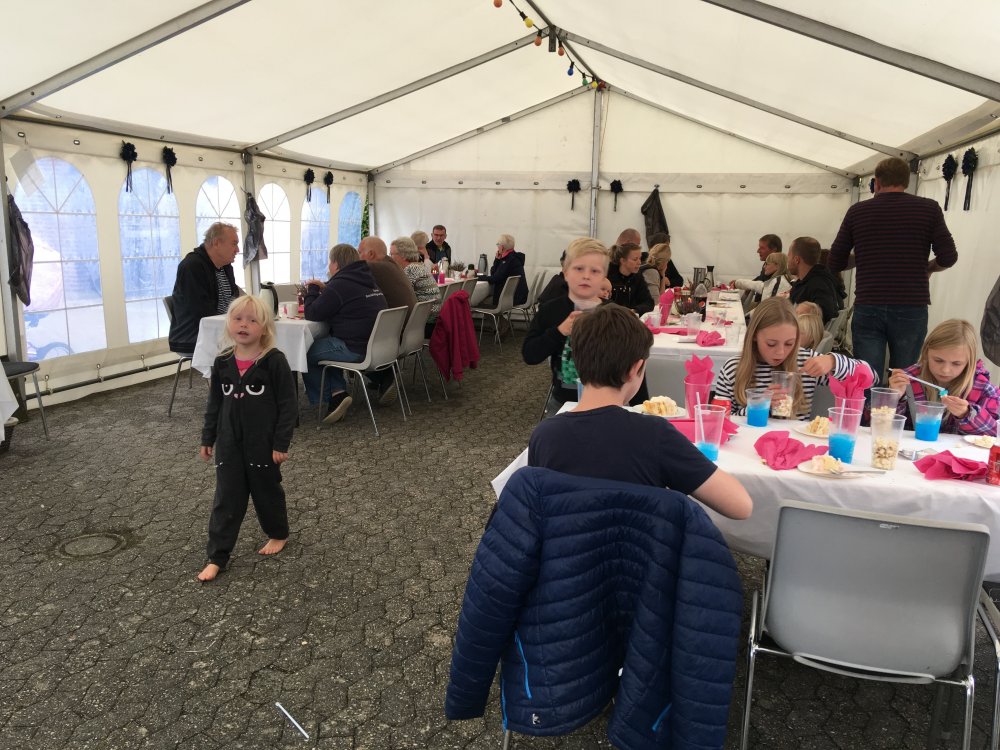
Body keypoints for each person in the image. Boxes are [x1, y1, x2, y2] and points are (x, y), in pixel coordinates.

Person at [528, 304, 752, 520]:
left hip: (563, 544)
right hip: (637, 545)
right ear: (635, 369)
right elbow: (741, 506)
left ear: (578, 362)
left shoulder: (544, 434)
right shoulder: (655, 434)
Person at [829, 156, 957, 381]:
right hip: (911, 304)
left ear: (877, 182)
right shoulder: (929, 209)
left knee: (866, 377)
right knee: (904, 377)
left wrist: (867, 256)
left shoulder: (858, 211)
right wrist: (929, 268)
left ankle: (867, 406)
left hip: (869, 302)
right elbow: (948, 257)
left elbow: (835, 262)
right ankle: (900, 405)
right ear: (907, 181)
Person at [197, 295, 296, 582]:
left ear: (264, 328)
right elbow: (215, 403)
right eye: (238, 319)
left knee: (267, 492)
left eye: (253, 320)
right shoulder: (223, 362)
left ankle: (278, 533)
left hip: (262, 445)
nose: (244, 325)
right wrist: (208, 437)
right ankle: (217, 556)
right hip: (229, 444)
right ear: (229, 323)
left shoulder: (273, 361)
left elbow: (288, 406)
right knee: (226, 498)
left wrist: (280, 443)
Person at [524, 238, 649, 409]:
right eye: (579, 268)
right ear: (565, 272)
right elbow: (530, 355)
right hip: (565, 403)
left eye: (595, 271)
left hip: (611, 404)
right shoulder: (550, 310)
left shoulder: (616, 316)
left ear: (604, 277)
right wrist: (559, 332)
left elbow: (635, 364)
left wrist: (640, 410)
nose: (586, 276)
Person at [714, 297, 874, 420]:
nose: (780, 352)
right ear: (754, 336)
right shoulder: (733, 368)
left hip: (796, 445)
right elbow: (720, 421)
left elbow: (870, 376)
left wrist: (832, 361)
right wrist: (759, 405)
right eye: (771, 344)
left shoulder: (804, 361)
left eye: (789, 343)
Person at [303, 243, 388, 423]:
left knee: (304, 351)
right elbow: (347, 298)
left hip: (354, 348)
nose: (329, 266)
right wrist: (326, 288)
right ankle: (338, 392)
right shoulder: (367, 279)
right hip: (379, 347)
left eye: (330, 262)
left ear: (336, 263)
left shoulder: (340, 284)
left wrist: (312, 290)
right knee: (327, 345)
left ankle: (333, 397)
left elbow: (313, 313)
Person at [888, 319, 998, 436]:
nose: (945, 370)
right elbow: (880, 426)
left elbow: (994, 433)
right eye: (938, 360)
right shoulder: (907, 379)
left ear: (969, 362)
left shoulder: (983, 388)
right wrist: (893, 398)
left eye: (956, 363)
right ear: (926, 353)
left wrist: (966, 414)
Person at [168, 222, 243, 354]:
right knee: (253, 344)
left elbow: (234, 299)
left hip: (220, 329)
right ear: (216, 243)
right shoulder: (192, 266)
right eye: (234, 244)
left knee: (260, 338)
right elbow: (201, 311)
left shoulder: (226, 266)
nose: (237, 250)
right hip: (195, 335)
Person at [390, 236, 441, 337]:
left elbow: (398, 297)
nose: (390, 258)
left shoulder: (410, 270)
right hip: (433, 321)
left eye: (392, 254)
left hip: (425, 324)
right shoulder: (420, 266)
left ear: (403, 255)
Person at [787, 236, 843, 324]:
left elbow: (823, 315)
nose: (787, 261)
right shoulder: (818, 280)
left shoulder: (818, 285)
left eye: (788, 256)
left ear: (797, 259)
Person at [359, 236, 417, 320]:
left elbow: (349, 270)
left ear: (371, 254)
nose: (358, 257)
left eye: (359, 252)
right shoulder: (391, 264)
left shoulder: (376, 267)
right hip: (408, 323)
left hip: (397, 324)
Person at [479, 234, 528, 307]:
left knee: (479, 302)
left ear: (502, 247)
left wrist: (476, 277)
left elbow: (495, 278)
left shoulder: (509, 260)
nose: (497, 246)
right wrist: (497, 259)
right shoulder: (513, 257)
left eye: (498, 244)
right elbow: (494, 273)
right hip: (517, 296)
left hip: (511, 298)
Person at [607, 242, 654, 315]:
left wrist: (635, 310)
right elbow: (603, 301)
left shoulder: (638, 277)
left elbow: (649, 302)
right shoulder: (607, 276)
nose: (639, 262)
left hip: (631, 317)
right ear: (622, 261)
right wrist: (622, 311)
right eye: (635, 259)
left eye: (640, 258)